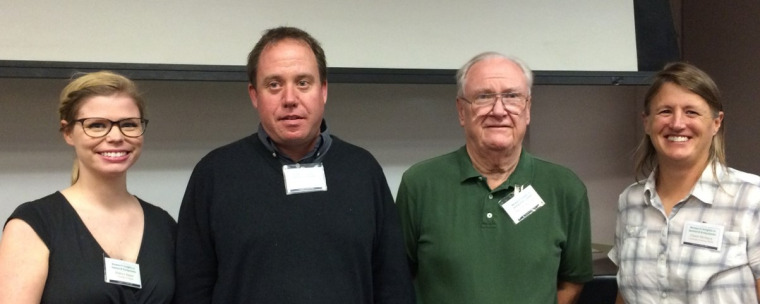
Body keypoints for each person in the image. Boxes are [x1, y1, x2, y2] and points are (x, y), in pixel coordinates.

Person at [173, 26, 414, 303]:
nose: (290, 99)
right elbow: (193, 288)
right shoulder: (213, 174)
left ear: (323, 90)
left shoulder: (363, 170)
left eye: (303, 83)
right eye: (274, 84)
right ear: (254, 95)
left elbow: (393, 285)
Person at [396, 52, 593, 304]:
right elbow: (398, 278)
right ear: (461, 111)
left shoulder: (565, 189)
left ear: (528, 109)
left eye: (512, 96)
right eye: (484, 96)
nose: (498, 110)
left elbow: (572, 282)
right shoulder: (419, 184)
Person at [0, 71, 177, 303]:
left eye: (129, 124)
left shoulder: (164, 224)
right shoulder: (34, 224)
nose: (116, 136)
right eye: (97, 125)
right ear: (67, 132)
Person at [608, 62, 760, 303]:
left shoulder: (752, 198)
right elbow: (624, 295)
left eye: (692, 112)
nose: (677, 123)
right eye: (665, 111)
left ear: (716, 123)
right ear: (646, 122)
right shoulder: (630, 201)